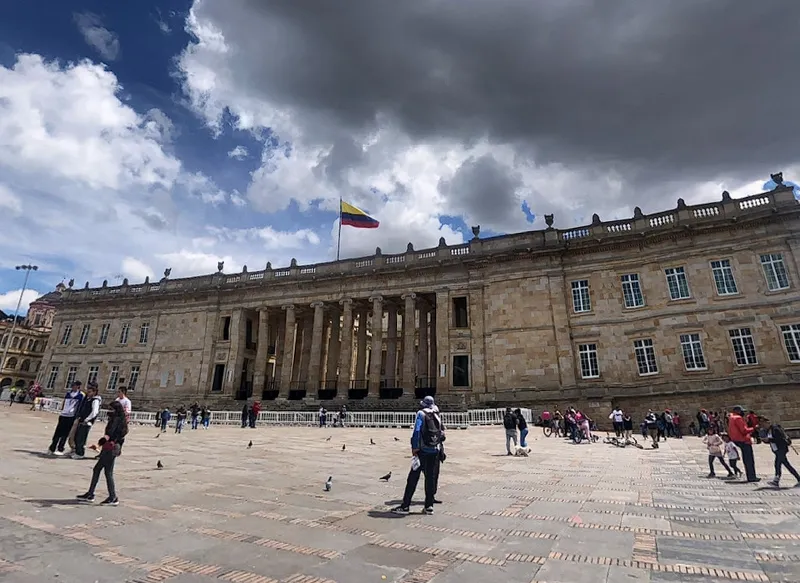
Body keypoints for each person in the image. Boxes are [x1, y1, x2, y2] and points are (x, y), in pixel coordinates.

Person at [393, 396, 444, 515]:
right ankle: (429, 506)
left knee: (413, 478)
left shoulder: (421, 414)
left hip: (422, 451)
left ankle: (405, 506)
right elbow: (442, 433)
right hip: (434, 450)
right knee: (430, 478)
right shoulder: (437, 413)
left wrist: (415, 448)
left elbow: (416, 431)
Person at [76, 400, 128, 505]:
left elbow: (109, 435)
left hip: (110, 448)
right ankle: (91, 493)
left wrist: (98, 444)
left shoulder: (115, 420)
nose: (109, 411)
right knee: (98, 469)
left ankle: (112, 497)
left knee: (107, 473)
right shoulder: (121, 420)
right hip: (110, 448)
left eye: (111, 409)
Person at [760, 416, 800, 488]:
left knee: (777, 464)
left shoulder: (775, 429)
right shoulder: (769, 430)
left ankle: (776, 480)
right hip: (777, 450)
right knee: (787, 465)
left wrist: (769, 440)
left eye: (764, 424)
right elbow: (772, 440)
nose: (763, 426)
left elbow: (779, 439)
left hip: (781, 449)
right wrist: (766, 441)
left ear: (768, 423)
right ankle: (798, 478)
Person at [47, 381, 85, 456]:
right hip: (63, 414)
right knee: (57, 432)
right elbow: (64, 403)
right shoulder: (68, 393)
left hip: (71, 416)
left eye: (74, 386)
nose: (73, 387)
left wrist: (77, 415)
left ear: (78, 386)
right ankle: (52, 447)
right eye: (72, 385)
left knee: (65, 434)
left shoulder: (80, 395)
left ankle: (60, 448)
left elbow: (80, 406)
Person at [728, 406, 759, 482]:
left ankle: (750, 476)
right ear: (737, 411)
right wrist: (754, 428)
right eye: (742, 411)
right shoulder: (738, 418)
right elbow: (744, 430)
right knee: (749, 460)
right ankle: (751, 477)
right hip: (744, 440)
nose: (743, 413)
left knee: (746, 459)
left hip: (736, 440)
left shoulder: (731, 418)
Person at [72, 383, 102, 459]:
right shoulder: (88, 399)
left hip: (87, 422)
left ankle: (80, 453)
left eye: (90, 392)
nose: (88, 394)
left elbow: (94, 412)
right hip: (82, 420)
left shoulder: (95, 400)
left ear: (94, 392)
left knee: (81, 438)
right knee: (77, 437)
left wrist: (87, 419)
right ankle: (77, 451)